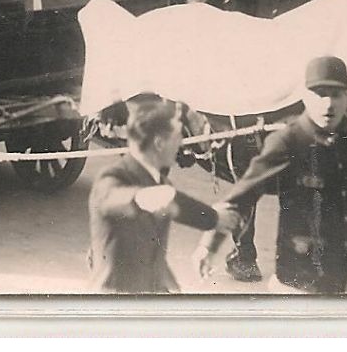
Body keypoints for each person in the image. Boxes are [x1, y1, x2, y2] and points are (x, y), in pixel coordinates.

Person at [193, 56, 347, 294]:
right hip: (302, 281)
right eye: (319, 94)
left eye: (336, 94)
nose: (328, 104)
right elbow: (242, 197)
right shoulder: (288, 141)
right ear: (304, 96)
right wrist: (209, 245)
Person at [87, 98, 236, 293]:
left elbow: (172, 208)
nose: (181, 144)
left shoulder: (161, 183)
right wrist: (140, 199)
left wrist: (214, 219)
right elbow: (113, 199)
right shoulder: (113, 177)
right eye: (177, 137)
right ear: (159, 143)